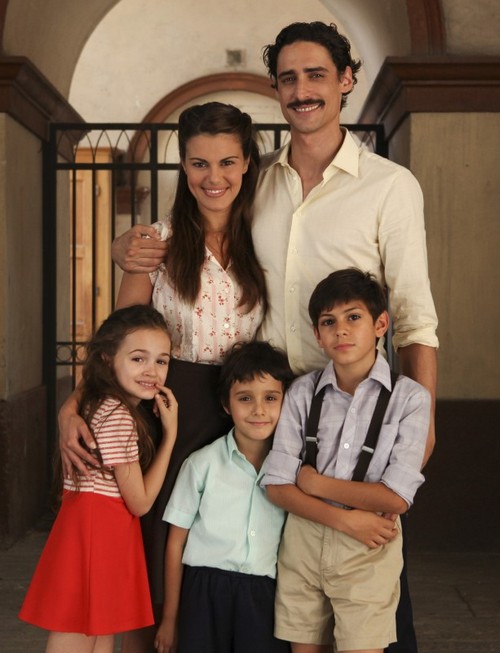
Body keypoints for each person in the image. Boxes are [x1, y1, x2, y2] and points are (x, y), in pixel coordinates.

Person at [108, 21, 439, 651]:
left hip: (340, 406)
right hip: (257, 400)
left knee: (359, 574)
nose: (302, 89)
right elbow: (195, 217)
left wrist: (422, 419)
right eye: (288, 77)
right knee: (252, 568)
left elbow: (415, 315)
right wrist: (127, 247)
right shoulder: (258, 184)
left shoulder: (390, 187)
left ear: (346, 80)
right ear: (276, 89)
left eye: (317, 74)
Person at [58, 102, 266, 651]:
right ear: (183, 165)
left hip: (243, 411)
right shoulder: (156, 240)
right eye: (199, 163)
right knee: (158, 545)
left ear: (247, 163)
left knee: (224, 541)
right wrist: (73, 405)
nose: (213, 177)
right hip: (169, 409)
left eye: (227, 162)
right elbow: (118, 340)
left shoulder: (266, 237)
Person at [262, 269, 431, 653]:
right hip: (304, 543)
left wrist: (315, 483)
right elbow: (277, 486)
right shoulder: (302, 393)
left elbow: (396, 498)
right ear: (317, 334)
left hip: (368, 550)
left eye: (353, 317)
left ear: (381, 324)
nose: (341, 330)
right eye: (328, 322)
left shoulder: (410, 399)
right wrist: (347, 519)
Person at [19, 305, 178, 653]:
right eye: (138, 359)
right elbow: (140, 502)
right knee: (81, 631)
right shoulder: (118, 415)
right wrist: (170, 437)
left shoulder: (98, 403)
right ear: (108, 359)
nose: (152, 371)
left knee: (96, 633)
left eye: (161, 361)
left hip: (93, 527)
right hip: (100, 531)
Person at [154, 341, 294, 653]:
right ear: (226, 404)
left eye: (271, 398)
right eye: (245, 398)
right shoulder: (201, 465)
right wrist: (170, 618)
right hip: (203, 592)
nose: (259, 410)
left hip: (265, 595)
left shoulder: (292, 471)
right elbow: (175, 543)